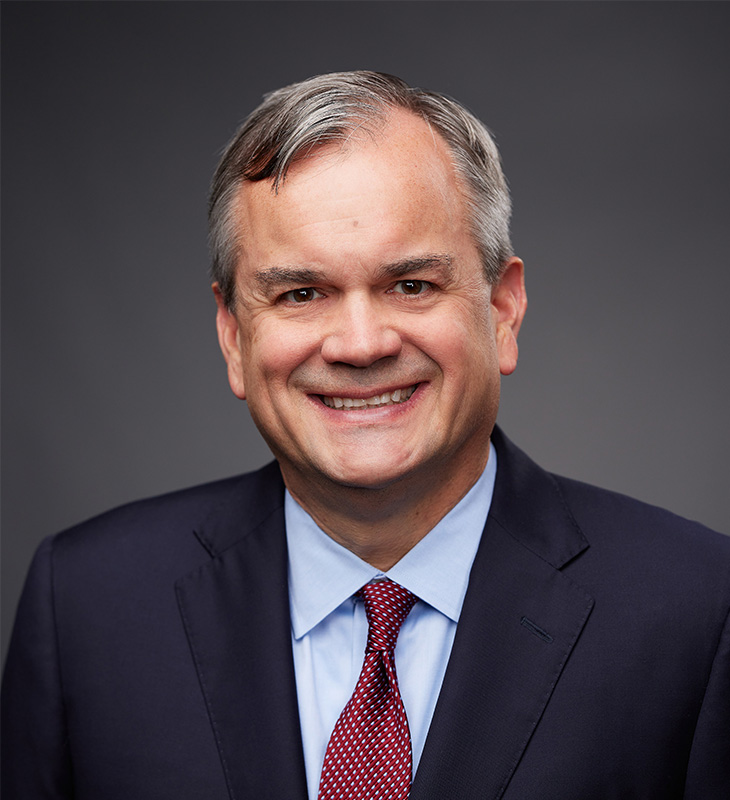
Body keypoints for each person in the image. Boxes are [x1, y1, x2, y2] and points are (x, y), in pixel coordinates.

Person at [2, 71, 729, 800]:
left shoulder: (697, 611)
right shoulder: (86, 606)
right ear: (233, 337)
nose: (359, 344)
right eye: (301, 293)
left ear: (502, 310)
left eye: (411, 285)